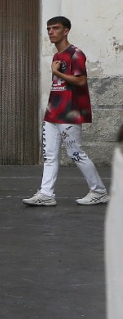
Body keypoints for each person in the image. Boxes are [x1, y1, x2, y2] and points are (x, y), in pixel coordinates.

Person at [22, 16, 109, 207]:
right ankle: (46, 193)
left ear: (66, 31)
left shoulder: (75, 54)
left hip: (69, 112)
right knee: (50, 155)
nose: (51, 32)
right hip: (53, 112)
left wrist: (57, 73)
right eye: (48, 29)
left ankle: (99, 191)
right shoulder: (57, 56)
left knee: (75, 152)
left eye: (55, 28)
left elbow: (81, 81)